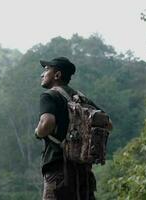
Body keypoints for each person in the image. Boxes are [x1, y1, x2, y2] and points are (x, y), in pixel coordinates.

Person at [35, 57, 97, 200]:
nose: (42, 74)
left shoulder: (49, 96)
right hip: (84, 171)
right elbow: (108, 123)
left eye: (46, 70)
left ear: (57, 75)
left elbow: (47, 123)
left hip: (58, 169)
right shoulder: (82, 99)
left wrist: (38, 133)